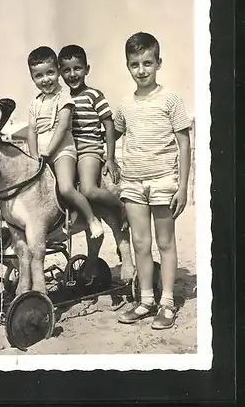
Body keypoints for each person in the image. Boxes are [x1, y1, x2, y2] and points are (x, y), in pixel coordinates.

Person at [114, 32, 191, 330]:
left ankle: (167, 302)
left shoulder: (171, 100)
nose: (142, 70)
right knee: (140, 243)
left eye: (148, 63)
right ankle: (146, 300)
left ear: (159, 63)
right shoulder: (124, 105)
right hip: (133, 183)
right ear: (128, 66)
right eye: (135, 64)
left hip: (163, 182)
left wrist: (183, 187)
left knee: (165, 243)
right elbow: (114, 134)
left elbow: (184, 143)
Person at [27, 46, 103, 239]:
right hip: (42, 155)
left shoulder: (64, 97)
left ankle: (91, 219)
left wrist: (48, 153)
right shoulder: (35, 102)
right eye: (39, 76)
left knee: (66, 187)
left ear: (58, 73)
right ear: (32, 77)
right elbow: (31, 130)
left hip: (61, 151)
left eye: (50, 73)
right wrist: (34, 155)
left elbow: (62, 127)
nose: (46, 79)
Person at [58, 44, 127, 231]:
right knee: (62, 186)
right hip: (69, 151)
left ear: (87, 69)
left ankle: (120, 207)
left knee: (88, 189)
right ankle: (75, 217)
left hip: (89, 149)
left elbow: (109, 124)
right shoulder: (62, 98)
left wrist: (111, 158)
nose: (72, 74)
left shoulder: (94, 95)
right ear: (59, 73)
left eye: (77, 68)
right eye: (66, 70)